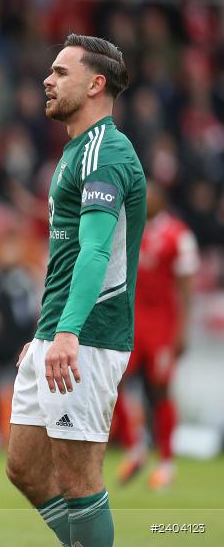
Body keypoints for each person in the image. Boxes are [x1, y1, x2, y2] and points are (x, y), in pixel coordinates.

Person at [5, 34, 146, 547]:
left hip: (89, 337)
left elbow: (94, 253)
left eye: (60, 72)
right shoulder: (75, 151)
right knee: (23, 468)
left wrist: (66, 333)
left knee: (77, 480)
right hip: (59, 333)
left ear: (95, 84)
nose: (48, 79)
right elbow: (65, 259)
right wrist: (45, 332)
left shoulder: (106, 153)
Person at [115, 180, 198, 490]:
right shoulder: (130, 228)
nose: (142, 200)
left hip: (163, 327)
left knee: (160, 390)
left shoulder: (178, 235)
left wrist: (183, 330)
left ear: (161, 199)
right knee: (115, 381)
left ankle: (166, 461)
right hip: (132, 323)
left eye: (148, 196)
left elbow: (187, 288)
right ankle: (135, 449)